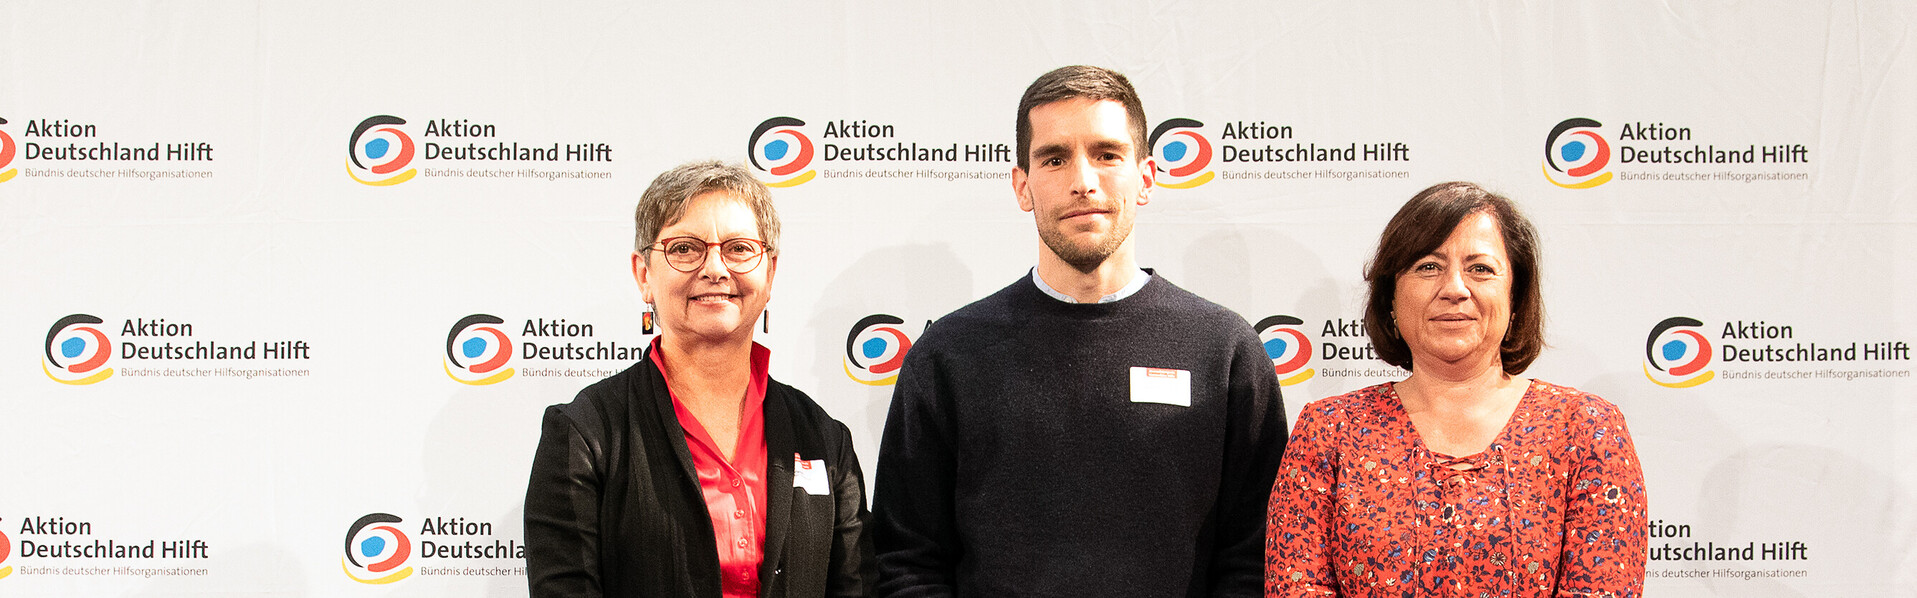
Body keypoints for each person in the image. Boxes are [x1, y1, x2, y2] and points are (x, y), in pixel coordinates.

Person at [872, 65, 1288, 597]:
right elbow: (907, 560)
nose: (1083, 180)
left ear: (1147, 178)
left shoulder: (1224, 350)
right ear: (1023, 185)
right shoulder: (950, 353)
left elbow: (1256, 560)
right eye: (1054, 158)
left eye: (1107, 154)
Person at [1264, 182, 1648, 597]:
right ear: (1391, 297)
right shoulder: (1330, 430)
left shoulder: (1585, 430)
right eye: (1428, 266)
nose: (1454, 288)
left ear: (1515, 297)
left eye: (1480, 269)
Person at [525, 160, 873, 597]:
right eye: (685, 249)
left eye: (739, 248)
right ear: (643, 274)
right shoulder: (585, 433)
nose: (715, 269)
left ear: (770, 273)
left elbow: (856, 588)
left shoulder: (825, 437)